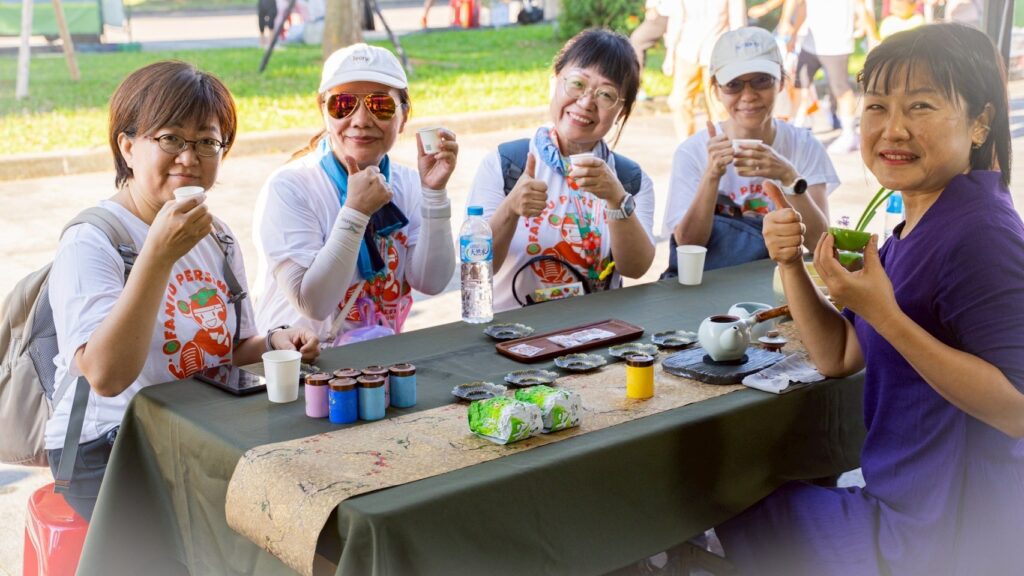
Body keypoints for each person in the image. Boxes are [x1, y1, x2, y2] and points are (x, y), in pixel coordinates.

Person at [719, 23, 1024, 575]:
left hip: (947, 537)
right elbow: (838, 355)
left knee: (714, 506)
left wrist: (884, 312)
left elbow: (1019, 410)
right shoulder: (917, 220)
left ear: (981, 122)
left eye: (922, 106)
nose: (893, 129)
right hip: (907, 511)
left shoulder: (981, 232)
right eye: (877, 106)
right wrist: (792, 265)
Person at [44, 61, 320, 521]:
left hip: (196, 429)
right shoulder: (92, 240)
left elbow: (224, 351)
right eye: (170, 138)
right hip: (106, 448)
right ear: (127, 147)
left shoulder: (218, 236)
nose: (190, 157)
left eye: (207, 142)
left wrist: (274, 341)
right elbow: (107, 375)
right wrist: (157, 256)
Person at [253, 44, 456, 344]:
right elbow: (313, 304)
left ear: (405, 115)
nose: (360, 120)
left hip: (378, 365)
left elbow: (432, 281)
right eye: (342, 104)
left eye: (380, 105)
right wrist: (356, 212)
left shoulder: (409, 183)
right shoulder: (290, 187)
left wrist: (434, 193)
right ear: (323, 112)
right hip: (304, 372)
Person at [467, 28, 656, 312]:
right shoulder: (506, 163)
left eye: (605, 94)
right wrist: (510, 209)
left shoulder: (629, 179)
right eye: (577, 83)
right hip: (514, 338)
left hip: (597, 335)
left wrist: (617, 200)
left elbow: (636, 268)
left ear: (622, 111)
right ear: (554, 81)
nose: (585, 102)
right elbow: (475, 269)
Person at [663, 26, 837, 274]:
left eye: (761, 81)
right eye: (733, 85)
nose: (748, 95)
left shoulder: (804, 146)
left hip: (781, 282)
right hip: (708, 283)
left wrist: (789, 177)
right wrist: (712, 175)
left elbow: (818, 243)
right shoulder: (692, 152)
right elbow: (688, 244)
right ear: (716, 89)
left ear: (780, 82)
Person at [779, 0, 878, 153]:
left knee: (840, 87)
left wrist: (872, 37)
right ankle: (796, 126)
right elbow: (803, 6)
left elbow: (861, 7)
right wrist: (793, 34)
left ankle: (849, 134)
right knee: (800, 83)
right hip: (810, 43)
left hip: (836, 44)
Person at [662, 0, 745, 139]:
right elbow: (676, 18)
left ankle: (722, 146)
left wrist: (738, 55)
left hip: (718, 52)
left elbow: (738, 22)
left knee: (719, 105)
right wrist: (669, 54)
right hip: (686, 50)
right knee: (679, 101)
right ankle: (687, 146)